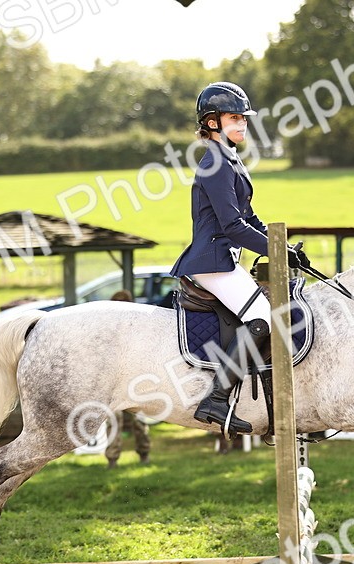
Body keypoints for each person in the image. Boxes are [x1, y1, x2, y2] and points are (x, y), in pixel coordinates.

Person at [171, 81, 303, 437]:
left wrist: (283, 247)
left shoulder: (230, 158)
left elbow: (250, 218)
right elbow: (232, 226)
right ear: (212, 122)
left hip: (222, 258)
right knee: (262, 317)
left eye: (244, 118)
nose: (242, 124)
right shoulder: (215, 163)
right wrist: (273, 251)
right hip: (211, 260)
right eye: (234, 118)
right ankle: (216, 398)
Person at [105, 290, 151, 467]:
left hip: (134, 382)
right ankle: (112, 459)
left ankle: (144, 453)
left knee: (139, 420)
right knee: (113, 421)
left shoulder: (138, 328)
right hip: (114, 383)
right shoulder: (108, 329)